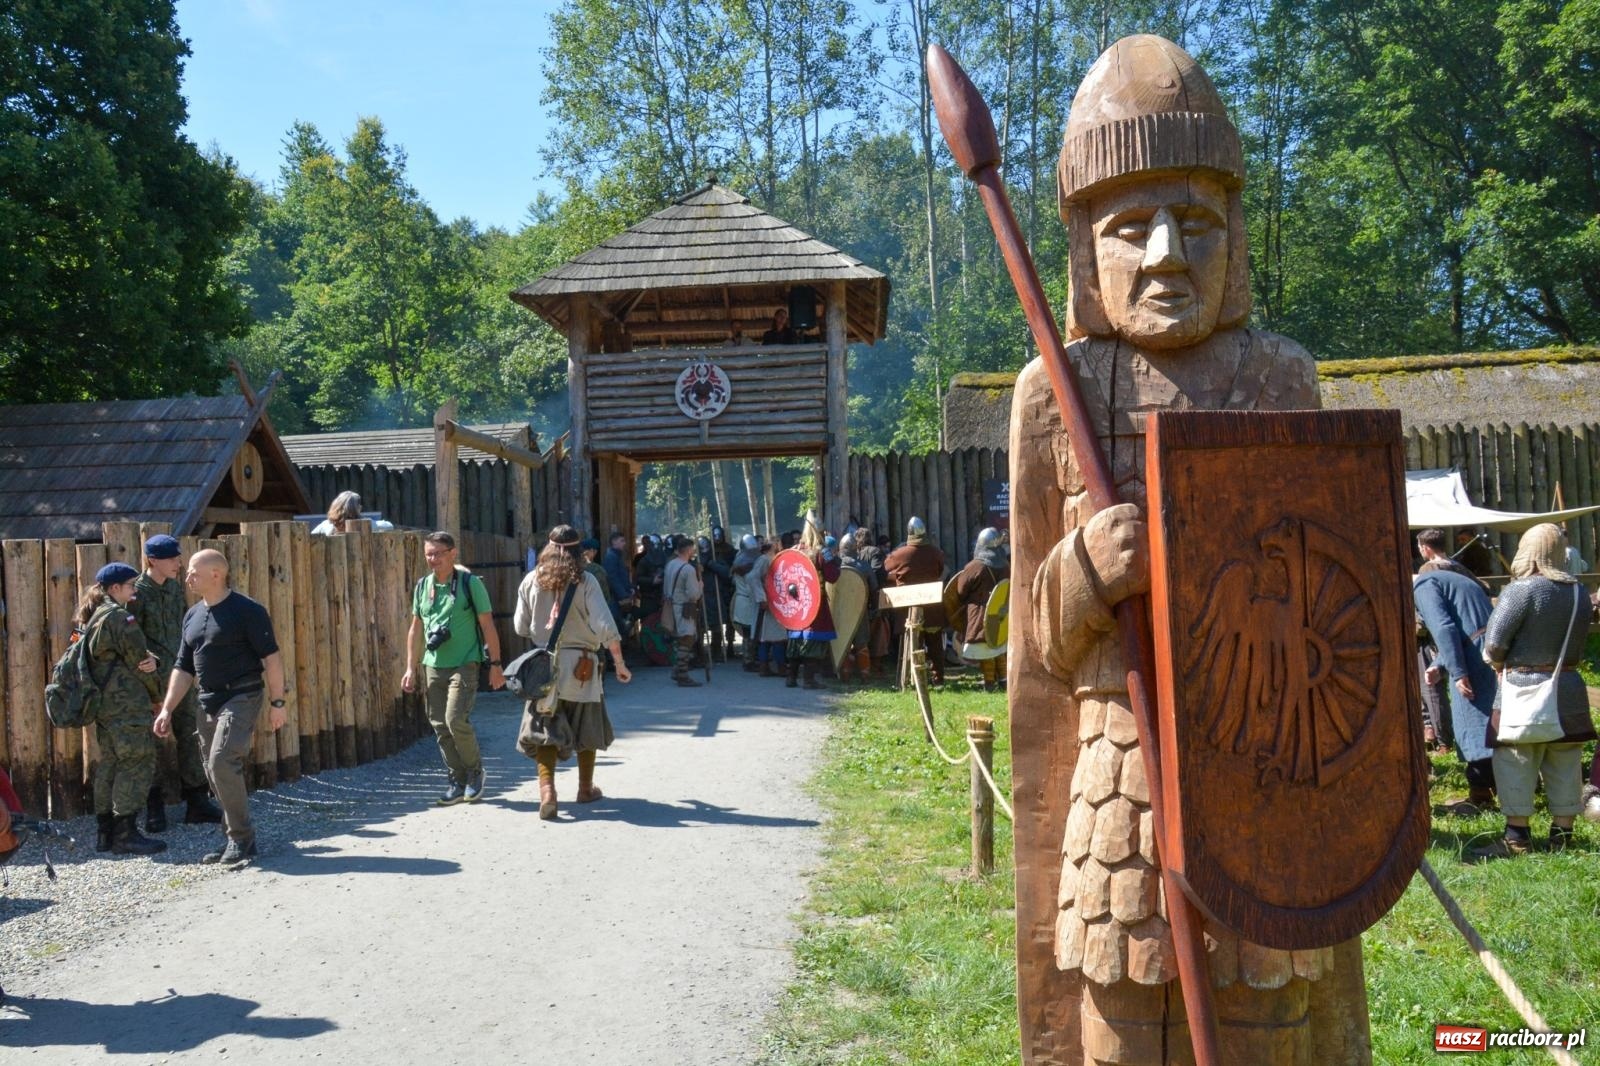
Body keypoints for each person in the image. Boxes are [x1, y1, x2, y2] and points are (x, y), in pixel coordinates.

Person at [1009, 35, 1363, 1062]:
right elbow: (1034, 639)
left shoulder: (1280, 378)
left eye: (1196, 222)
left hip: (1266, 757)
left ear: (1234, 237)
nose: (1166, 253)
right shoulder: (1056, 393)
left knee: (1265, 1007)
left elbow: (1340, 586)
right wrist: (1087, 568)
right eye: (1131, 227)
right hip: (1118, 760)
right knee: (1120, 1007)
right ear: (1084, 248)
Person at [155, 549, 288, 867]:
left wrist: (278, 703)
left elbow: (271, 659)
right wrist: (167, 709)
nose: (187, 577)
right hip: (207, 701)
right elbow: (183, 667)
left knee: (222, 762)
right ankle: (236, 837)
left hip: (241, 697)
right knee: (213, 772)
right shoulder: (192, 615)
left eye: (194, 572)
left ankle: (241, 838)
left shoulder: (248, 611)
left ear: (216, 574)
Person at [1472, 524, 1596, 858]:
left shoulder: (1521, 590)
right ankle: (1562, 836)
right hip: (1569, 687)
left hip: (1522, 688)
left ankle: (1517, 838)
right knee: (1565, 760)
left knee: (1515, 759)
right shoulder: (1578, 592)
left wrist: (1497, 663)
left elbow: (1494, 642)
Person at [514, 526, 633, 820]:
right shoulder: (586, 580)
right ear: (579, 550)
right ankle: (585, 788)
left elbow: (520, 627)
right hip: (582, 666)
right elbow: (605, 626)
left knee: (544, 729)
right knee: (587, 728)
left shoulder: (531, 579)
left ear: (548, 548)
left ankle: (547, 793)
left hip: (544, 667)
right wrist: (619, 663)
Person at [401, 532, 505, 806]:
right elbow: (416, 629)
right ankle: (457, 780)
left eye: (438, 553)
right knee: (438, 724)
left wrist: (495, 665)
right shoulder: (423, 586)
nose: (433, 559)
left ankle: (475, 773)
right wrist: (410, 667)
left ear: (453, 553)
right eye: (429, 554)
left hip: (465, 663)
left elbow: (488, 626)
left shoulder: (470, 584)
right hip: (433, 664)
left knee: (455, 719)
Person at [130, 534, 223, 832]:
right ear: (152, 560)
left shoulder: (173, 588)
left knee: (191, 734)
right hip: (149, 680)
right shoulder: (136, 594)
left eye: (178, 558)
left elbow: (185, 626)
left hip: (179, 675)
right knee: (152, 742)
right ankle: (154, 806)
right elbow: (130, 638)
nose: (178, 564)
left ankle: (197, 800)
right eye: (171, 559)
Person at [77, 563, 165, 856]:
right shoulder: (120, 617)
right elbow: (141, 663)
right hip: (127, 705)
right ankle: (125, 834)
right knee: (136, 762)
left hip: (105, 706)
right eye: (130, 586)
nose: (134, 591)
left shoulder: (94, 615)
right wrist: (157, 697)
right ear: (114, 588)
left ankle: (105, 833)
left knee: (111, 764)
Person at [1412, 534, 1498, 814]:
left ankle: (1481, 795)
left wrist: (1459, 672)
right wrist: (1440, 664)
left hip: (1474, 655)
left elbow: (1444, 628)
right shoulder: (1458, 579)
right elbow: (1464, 626)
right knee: (1494, 719)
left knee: (1474, 723)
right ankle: (1511, 786)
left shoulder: (1424, 585)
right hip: (1486, 647)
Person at [885, 516, 948, 684]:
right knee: (934, 644)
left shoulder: (898, 555)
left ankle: (912, 678)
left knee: (912, 642)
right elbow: (941, 570)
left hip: (909, 608)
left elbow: (885, 569)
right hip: (932, 606)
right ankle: (938, 677)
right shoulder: (936, 553)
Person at [784, 515, 842, 689]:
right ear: (820, 532)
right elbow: (832, 576)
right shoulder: (821, 552)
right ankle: (808, 680)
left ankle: (791, 678)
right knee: (813, 639)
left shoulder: (795, 549)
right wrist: (834, 562)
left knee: (796, 640)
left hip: (797, 603)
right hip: (814, 603)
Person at [952, 528, 1010, 692]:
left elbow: (960, 590)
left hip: (980, 614)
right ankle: (1004, 680)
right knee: (998, 644)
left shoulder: (975, 566)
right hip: (1001, 613)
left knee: (986, 646)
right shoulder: (1006, 565)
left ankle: (990, 683)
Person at [662, 535, 704, 687]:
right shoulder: (688, 569)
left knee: (682, 639)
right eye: (693, 549)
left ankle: (677, 670)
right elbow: (694, 594)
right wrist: (700, 584)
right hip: (684, 607)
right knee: (687, 639)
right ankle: (682, 674)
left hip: (671, 605)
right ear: (688, 550)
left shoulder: (670, 564)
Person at [836, 531, 877, 683]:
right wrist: (873, 608)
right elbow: (874, 589)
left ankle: (845, 675)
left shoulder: (835, 565)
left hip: (839, 611)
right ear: (855, 548)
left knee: (843, 642)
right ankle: (865, 675)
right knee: (861, 644)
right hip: (860, 610)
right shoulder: (864, 566)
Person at [697, 534, 732, 662]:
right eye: (702, 547)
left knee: (717, 627)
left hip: (715, 596)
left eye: (706, 546)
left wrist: (712, 564)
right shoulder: (694, 560)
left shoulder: (716, 558)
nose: (705, 549)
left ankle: (716, 652)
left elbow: (727, 573)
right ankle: (700, 654)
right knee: (700, 628)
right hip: (701, 598)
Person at [311, 491, 394, 535]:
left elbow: (311, 535)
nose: (360, 507)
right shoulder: (364, 523)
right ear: (353, 508)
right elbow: (389, 526)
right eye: (358, 504)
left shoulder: (326, 524)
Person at [602, 530, 637, 630]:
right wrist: (624, 596)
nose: (624, 543)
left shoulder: (616, 556)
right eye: (622, 541)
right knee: (619, 627)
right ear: (614, 542)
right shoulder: (611, 557)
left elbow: (622, 576)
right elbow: (613, 579)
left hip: (620, 598)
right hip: (615, 599)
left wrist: (630, 588)